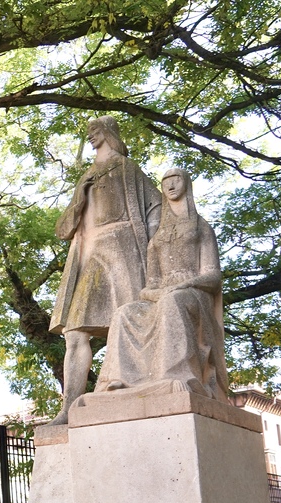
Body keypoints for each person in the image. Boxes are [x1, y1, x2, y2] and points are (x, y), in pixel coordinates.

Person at [49, 116, 162, 424]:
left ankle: (130, 388)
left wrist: (153, 251)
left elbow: (156, 208)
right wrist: (79, 196)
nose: (91, 136)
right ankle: (68, 408)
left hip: (124, 250)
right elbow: (63, 230)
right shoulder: (87, 175)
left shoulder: (128, 169)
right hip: (92, 255)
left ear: (109, 133)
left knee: (126, 323)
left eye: (95, 131)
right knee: (74, 333)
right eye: (88, 132)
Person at [93, 168, 230, 400]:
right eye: (166, 182)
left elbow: (213, 276)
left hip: (194, 294)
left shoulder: (201, 227)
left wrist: (182, 286)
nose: (170, 186)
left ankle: (176, 373)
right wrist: (157, 294)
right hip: (162, 296)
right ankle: (122, 377)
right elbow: (149, 285)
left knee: (172, 302)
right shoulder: (158, 237)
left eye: (176, 180)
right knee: (124, 313)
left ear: (186, 182)